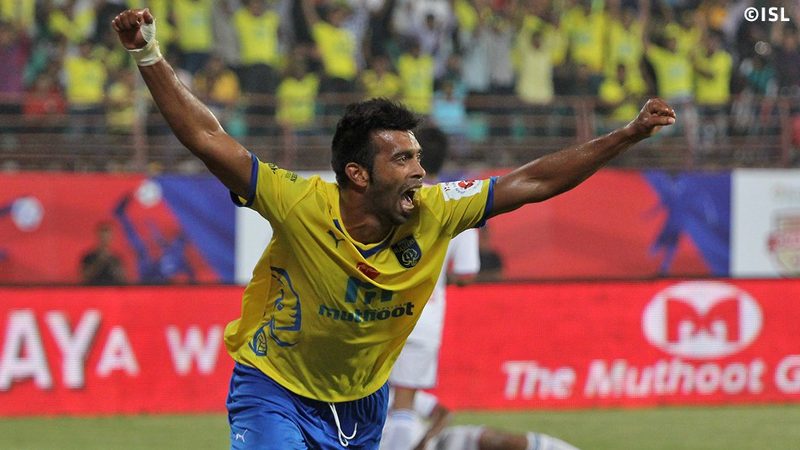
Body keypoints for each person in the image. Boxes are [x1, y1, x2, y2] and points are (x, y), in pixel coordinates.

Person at [112, 8, 676, 449]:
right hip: (274, 387)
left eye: (418, 157)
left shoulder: (438, 209)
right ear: (358, 174)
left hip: (362, 402)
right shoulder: (299, 202)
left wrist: (625, 135)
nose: (420, 171)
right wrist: (148, 54)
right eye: (403, 159)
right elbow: (208, 137)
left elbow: (533, 181)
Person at [382, 126, 480, 450]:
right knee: (405, 403)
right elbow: (467, 273)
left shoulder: (389, 198)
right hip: (424, 315)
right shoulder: (458, 204)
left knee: (369, 395)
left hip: (379, 309)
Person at [384, 388, 580, 450]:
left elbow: (443, 413)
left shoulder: (394, 394)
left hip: (437, 443)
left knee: (498, 440)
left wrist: (426, 440)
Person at [80, 221, 127, 285]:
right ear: (98, 237)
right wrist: (99, 261)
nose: (105, 239)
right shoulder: (88, 257)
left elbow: (123, 278)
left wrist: (110, 261)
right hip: (94, 289)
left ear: (112, 238)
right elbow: (84, 277)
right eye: (102, 237)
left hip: (112, 289)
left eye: (107, 236)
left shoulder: (117, 258)